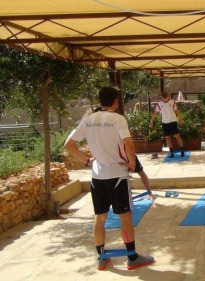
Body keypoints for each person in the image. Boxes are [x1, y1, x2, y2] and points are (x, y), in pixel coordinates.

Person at [64, 87, 154, 271]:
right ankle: (132, 257)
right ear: (115, 101)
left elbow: (69, 145)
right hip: (117, 177)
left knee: (100, 217)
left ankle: (101, 258)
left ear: (100, 100)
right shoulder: (117, 119)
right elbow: (128, 144)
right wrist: (131, 163)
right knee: (125, 217)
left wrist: (87, 160)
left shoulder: (88, 121)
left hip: (97, 177)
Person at [94, 107, 156, 199]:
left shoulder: (114, 122)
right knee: (123, 177)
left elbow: (127, 142)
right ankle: (128, 196)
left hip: (125, 153)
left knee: (140, 172)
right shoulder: (99, 128)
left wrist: (131, 161)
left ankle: (149, 192)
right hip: (116, 156)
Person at [150, 92, 185, 158]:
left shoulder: (172, 102)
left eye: (166, 98)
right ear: (162, 97)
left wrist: (180, 118)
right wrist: (151, 121)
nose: (165, 99)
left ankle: (182, 151)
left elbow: (176, 111)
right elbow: (155, 113)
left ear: (168, 96)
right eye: (164, 98)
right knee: (167, 139)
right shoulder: (159, 103)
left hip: (173, 121)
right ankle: (171, 153)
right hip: (165, 123)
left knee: (177, 137)